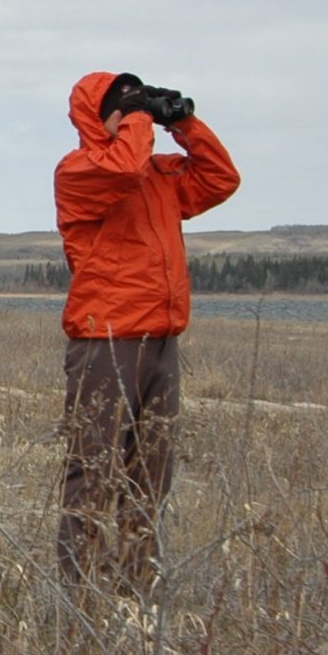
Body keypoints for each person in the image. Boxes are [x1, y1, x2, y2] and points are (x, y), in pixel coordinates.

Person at [52, 73, 239, 590]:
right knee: (93, 472)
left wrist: (185, 123)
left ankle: (135, 590)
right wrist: (137, 116)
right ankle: (82, 598)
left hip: (160, 338)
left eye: (140, 108)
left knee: (150, 477)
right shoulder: (79, 171)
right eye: (125, 106)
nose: (138, 115)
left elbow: (221, 179)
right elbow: (123, 167)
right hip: (105, 340)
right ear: (99, 116)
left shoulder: (158, 174)